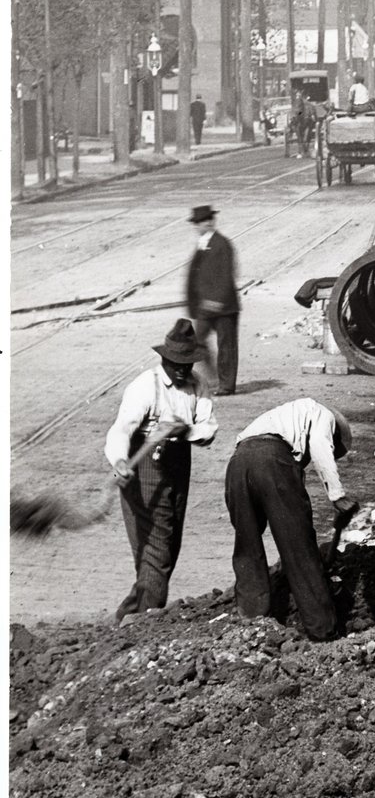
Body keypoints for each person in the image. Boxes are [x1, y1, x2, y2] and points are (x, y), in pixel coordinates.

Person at [104, 319, 218, 622]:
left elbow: (208, 429)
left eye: (187, 363)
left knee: (167, 548)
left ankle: (129, 615)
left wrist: (185, 430)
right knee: (157, 548)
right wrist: (118, 461)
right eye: (175, 363)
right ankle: (144, 621)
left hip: (179, 464)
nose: (181, 369)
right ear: (163, 358)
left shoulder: (197, 385)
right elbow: (120, 431)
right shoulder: (144, 387)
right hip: (142, 469)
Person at [225, 399, 359, 641]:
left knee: (247, 546)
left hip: (238, 463)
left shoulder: (283, 417)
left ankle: (252, 625)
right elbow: (319, 445)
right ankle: (323, 630)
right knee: (299, 549)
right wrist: (337, 495)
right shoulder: (323, 415)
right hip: (273, 461)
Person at [186, 204, 240, 397]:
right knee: (198, 341)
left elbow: (227, 275)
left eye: (203, 222)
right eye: (197, 223)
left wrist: (217, 300)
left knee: (227, 346)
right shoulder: (202, 244)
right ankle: (214, 378)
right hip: (205, 307)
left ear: (210, 222)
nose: (199, 226)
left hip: (224, 307)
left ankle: (227, 385)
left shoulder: (221, 244)